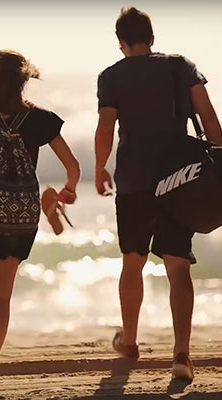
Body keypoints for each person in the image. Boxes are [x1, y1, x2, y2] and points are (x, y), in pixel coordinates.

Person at [94, 7, 222, 381]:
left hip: (134, 182)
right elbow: (210, 120)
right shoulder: (180, 66)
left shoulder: (111, 76)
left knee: (132, 262)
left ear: (121, 43)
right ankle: (182, 355)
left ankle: (130, 340)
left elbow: (105, 127)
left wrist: (101, 167)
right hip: (180, 180)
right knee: (178, 265)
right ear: (152, 38)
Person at [0, 50, 80, 386]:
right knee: (2, 296)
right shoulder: (41, 120)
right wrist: (68, 191)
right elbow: (73, 167)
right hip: (19, 216)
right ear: (24, 82)